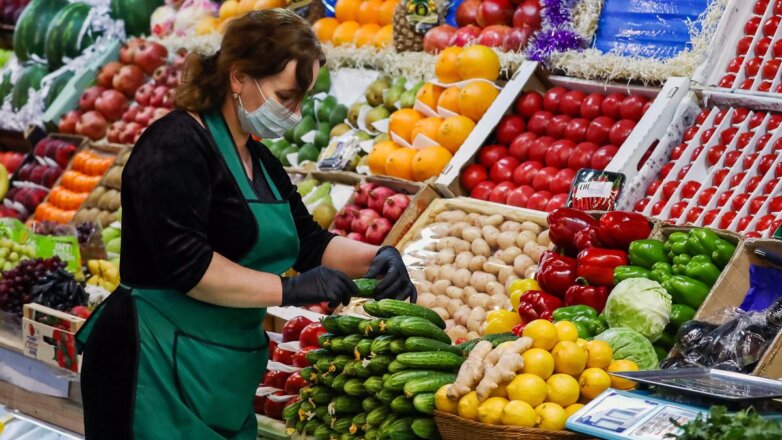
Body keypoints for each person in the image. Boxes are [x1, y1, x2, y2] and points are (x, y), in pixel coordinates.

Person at [75, 9, 415, 439]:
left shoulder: (262, 163)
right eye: (286, 95)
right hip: (151, 363)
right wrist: (292, 290)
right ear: (239, 77)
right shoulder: (173, 146)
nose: (294, 112)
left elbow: (309, 242)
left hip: (219, 371)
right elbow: (190, 268)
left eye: (301, 100)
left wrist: (378, 258)